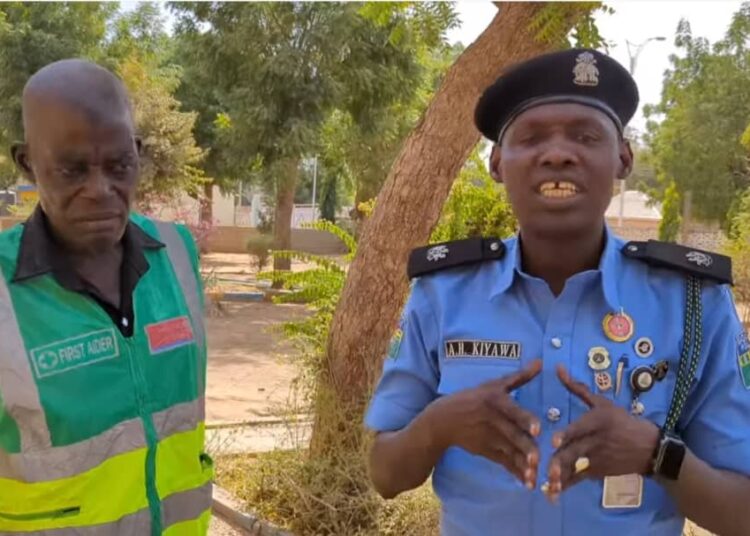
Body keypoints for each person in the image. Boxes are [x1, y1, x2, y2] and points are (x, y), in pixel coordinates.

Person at [365, 48, 750, 536]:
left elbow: (742, 513)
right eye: (531, 138)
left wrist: (656, 454)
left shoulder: (692, 303)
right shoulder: (444, 293)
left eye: (586, 136)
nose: (558, 154)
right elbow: (385, 474)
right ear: (498, 163)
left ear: (623, 159)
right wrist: (440, 424)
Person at [0, 60, 211, 535]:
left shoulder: (177, 254)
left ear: (137, 153)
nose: (100, 191)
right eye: (71, 170)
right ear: (28, 162)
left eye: (120, 166)